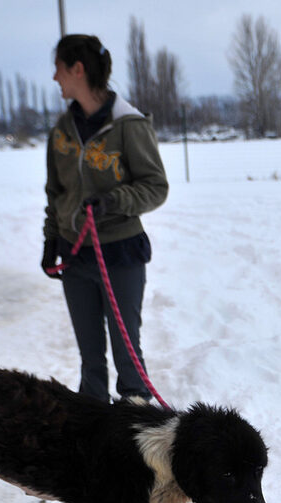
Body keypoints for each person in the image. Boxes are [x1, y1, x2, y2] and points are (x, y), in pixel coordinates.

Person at [42, 33, 168, 403]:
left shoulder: (129, 125)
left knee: (128, 356)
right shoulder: (62, 132)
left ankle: (135, 420)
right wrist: (51, 239)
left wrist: (114, 201)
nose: (55, 79)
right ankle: (92, 428)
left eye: (59, 69)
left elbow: (155, 187)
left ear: (77, 70)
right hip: (75, 255)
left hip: (120, 254)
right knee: (89, 357)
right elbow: (56, 193)